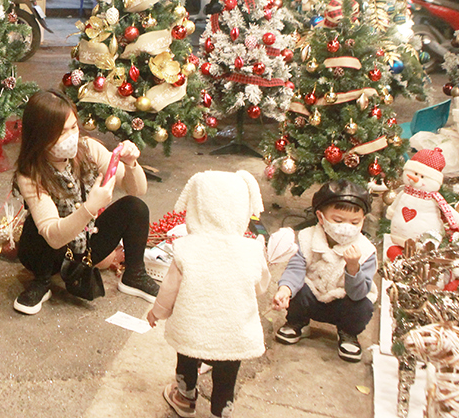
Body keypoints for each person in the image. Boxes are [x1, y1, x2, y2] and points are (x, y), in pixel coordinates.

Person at [11, 90, 155, 315]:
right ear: (40, 135)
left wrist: (131, 164)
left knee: (134, 207)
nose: (71, 137)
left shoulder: (89, 149)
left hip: (87, 245)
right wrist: (90, 208)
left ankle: (134, 274)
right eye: (61, 132)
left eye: (73, 127)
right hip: (51, 253)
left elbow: (137, 190)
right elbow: (52, 236)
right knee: (36, 228)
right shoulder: (30, 173)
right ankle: (41, 280)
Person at [147, 170, 271, 418]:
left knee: (187, 360)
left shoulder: (186, 247)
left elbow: (169, 289)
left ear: (196, 207)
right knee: (226, 374)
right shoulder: (251, 250)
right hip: (234, 333)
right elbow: (260, 286)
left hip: (193, 328)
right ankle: (221, 409)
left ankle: (184, 397)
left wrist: (156, 312)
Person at [272, 180, 376, 363]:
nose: (346, 227)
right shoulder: (307, 237)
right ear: (321, 217)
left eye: (355, 222)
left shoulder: (366, 250)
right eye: (338, 220)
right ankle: (298, 322)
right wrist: (285, 289)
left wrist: (353, 268)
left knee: (363, 305)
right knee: (298, 288)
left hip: (343, 303)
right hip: (313, 296)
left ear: (363, 221)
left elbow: (358, 293)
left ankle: (348, 333)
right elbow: (296, 268)